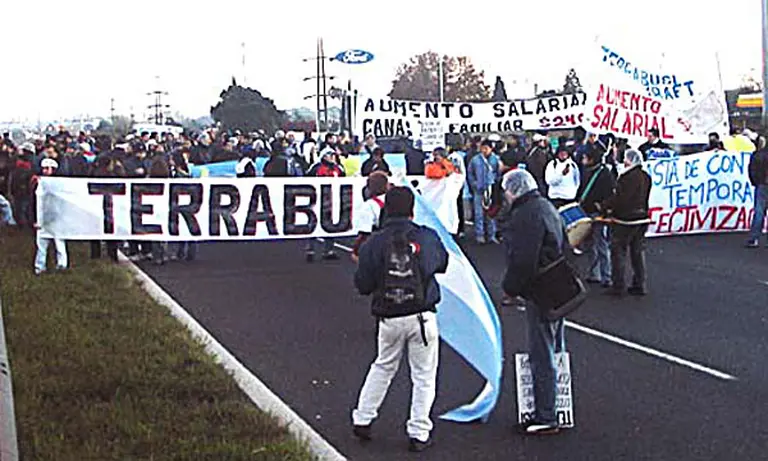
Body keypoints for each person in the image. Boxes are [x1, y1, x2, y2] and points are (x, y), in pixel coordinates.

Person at [351, 187, 449, 452]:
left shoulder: (374, 242)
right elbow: (442, 263)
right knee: (424, 375)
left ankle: (363, 417)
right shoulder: (426, 237)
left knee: (383, 366)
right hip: (422, 314)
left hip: (389, 315)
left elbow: (363, 284)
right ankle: (418, 432)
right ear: (412, 209)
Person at [498, 169, 566, 435]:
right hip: (559, 284)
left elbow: (524, 260)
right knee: (555, 347)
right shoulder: (546, 206)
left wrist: (510, 288)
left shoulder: (525, 216)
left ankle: (547, 414)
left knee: (541, 353)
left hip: (540, 288)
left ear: (514, 190)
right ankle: (559, 405)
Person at [600, 149, 652, 296]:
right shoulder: (646, 177)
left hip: (626, 220)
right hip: (642, 217)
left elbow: (620, 199)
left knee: (618, 251)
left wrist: (605, 207)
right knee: (637, 252)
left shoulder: (626, 178)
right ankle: (639, 283)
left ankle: (618, 285)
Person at [578, 149, 616, 288]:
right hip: (587, 210)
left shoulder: (604, 173)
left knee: (600, 243)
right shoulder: (587, 170)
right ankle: (595, 273)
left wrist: (602, 207)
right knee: (589, 244)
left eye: (585, 157)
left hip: (597, 213)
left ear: (591, 159)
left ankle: (606, 275)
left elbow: (610, 193)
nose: (583, 160)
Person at [33, 158, 68, 275]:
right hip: (42, 219)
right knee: (41, 245)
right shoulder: (37, 183)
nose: (46, 171)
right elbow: (33, 202)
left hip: (57, 219)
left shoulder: (59, 185)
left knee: (59, 244)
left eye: (49, 169)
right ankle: (39, 267)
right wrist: (34, 219)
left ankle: (62, 266)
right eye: (44, 168)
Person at [467, 140, 500, 244]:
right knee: (478, 213)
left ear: (491, 148)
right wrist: (474, 184)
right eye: (483, 148)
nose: (484, 150)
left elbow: (498, 173)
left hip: (491, 190)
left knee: (491, 213)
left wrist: (494, 183)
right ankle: (479, 235)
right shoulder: (475, 160)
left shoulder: (496, 159)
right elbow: (470, 174)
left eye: (486, 148)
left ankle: (492, 235)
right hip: (478, 190)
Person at [352, 172, 389, 261]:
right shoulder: (395, 198)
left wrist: (356, 251)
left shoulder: (369, 205)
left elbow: (364, 232)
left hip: (380, 243)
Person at [746, 135, 768, 248]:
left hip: (762, 185)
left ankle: (754, 238)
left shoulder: (757, 155)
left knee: (759, 213)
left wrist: (755, 182)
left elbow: (751, 170)